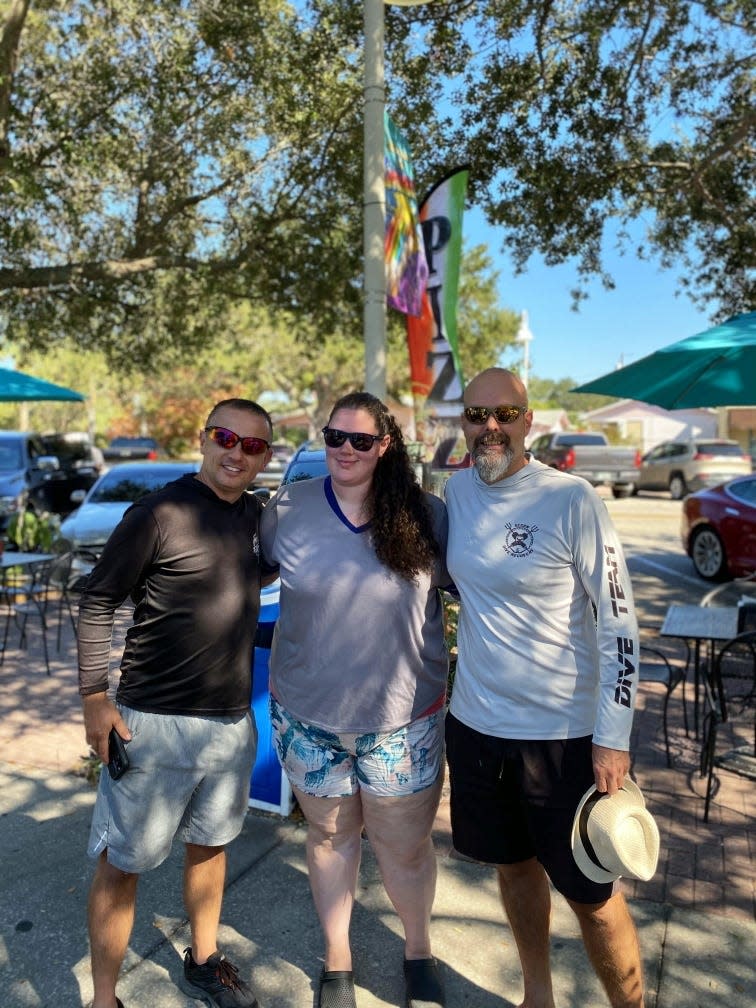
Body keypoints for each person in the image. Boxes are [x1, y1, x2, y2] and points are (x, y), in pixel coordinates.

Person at [444, 367, 645, 1008]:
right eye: (477, 415)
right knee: (514, 867)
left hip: (563, 738)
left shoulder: (572, 499)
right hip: (477, 729)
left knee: (594, 897)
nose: (490, 427)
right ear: (465, 424)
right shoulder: (455, 492)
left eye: (504, 413)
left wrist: (613, 738)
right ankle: (537, 995)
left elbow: (619, 622)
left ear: (530, 420)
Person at [78, 398, 277, 1008]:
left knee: (210, 848)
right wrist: (94, 698)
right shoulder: (159, 512)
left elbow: (251, 583)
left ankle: (204, 958)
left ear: (264, 456)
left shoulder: (256, 517)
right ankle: (106, 996)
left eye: (252, 446)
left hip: (229, 724)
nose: (235, 453)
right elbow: (97, 601)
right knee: (123, 864)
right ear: (204, 438)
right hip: (153, 727)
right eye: (226, 437)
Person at [260, 392, 450, 1008]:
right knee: (329, 838)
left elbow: (482, 588)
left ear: (384, 444)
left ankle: (417, 948)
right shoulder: (287, 508)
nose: (345, 449)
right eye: (334, 437)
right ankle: (337, 958)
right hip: (308, 717)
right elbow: (243, 576)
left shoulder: (427, 515)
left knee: (404, 848)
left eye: (361, 440)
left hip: (402, 723)